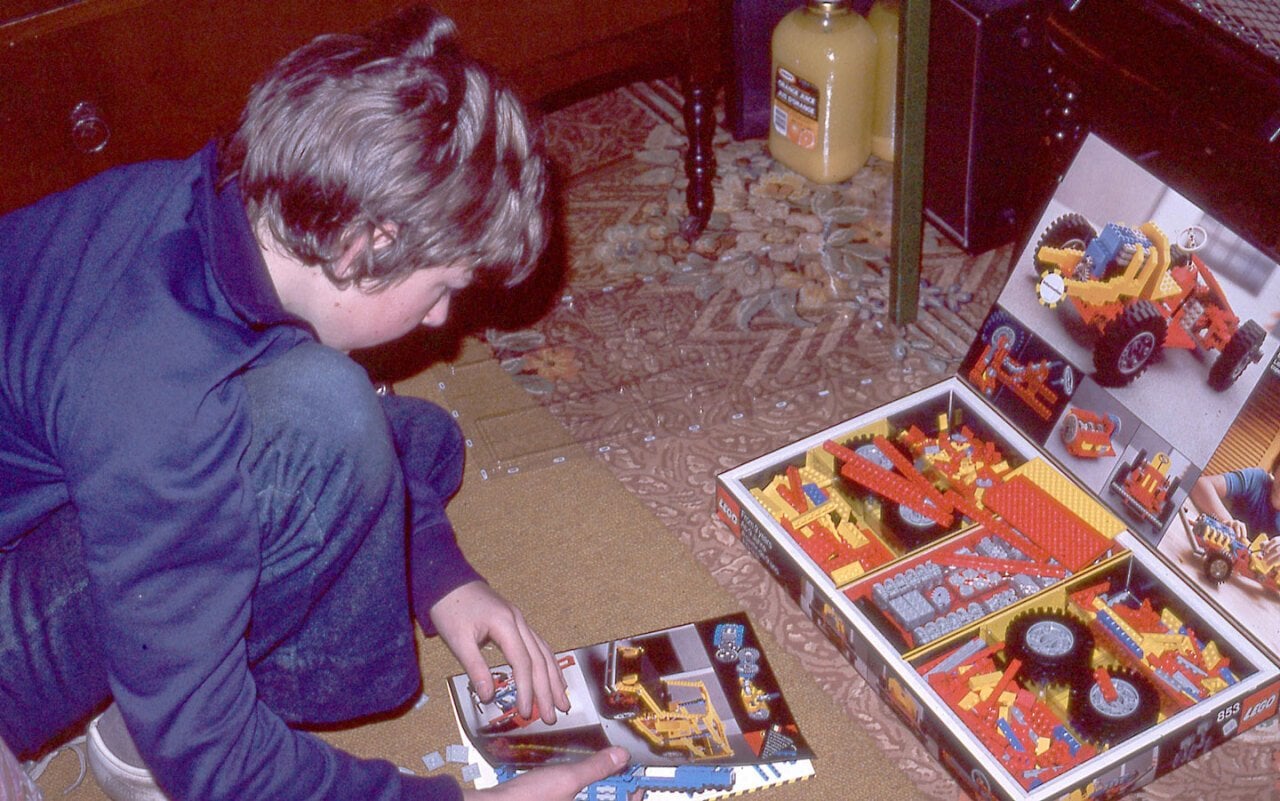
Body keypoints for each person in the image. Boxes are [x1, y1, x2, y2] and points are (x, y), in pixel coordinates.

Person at [0, 6, 626, 800]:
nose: (441, 320)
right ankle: (146, 728)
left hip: (67, 481)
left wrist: (435, 569)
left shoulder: (215, 209)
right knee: (331, 414)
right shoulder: (154, 402)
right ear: (366, 243)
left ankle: (147, 703)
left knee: (361, 422)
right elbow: (214, 757)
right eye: (442, 287)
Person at [1190, 456, 1280, 561]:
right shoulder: (1257, 479)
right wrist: (1228, 523)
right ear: (1277, 465)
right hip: (1219, 555)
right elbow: (1200, 485)